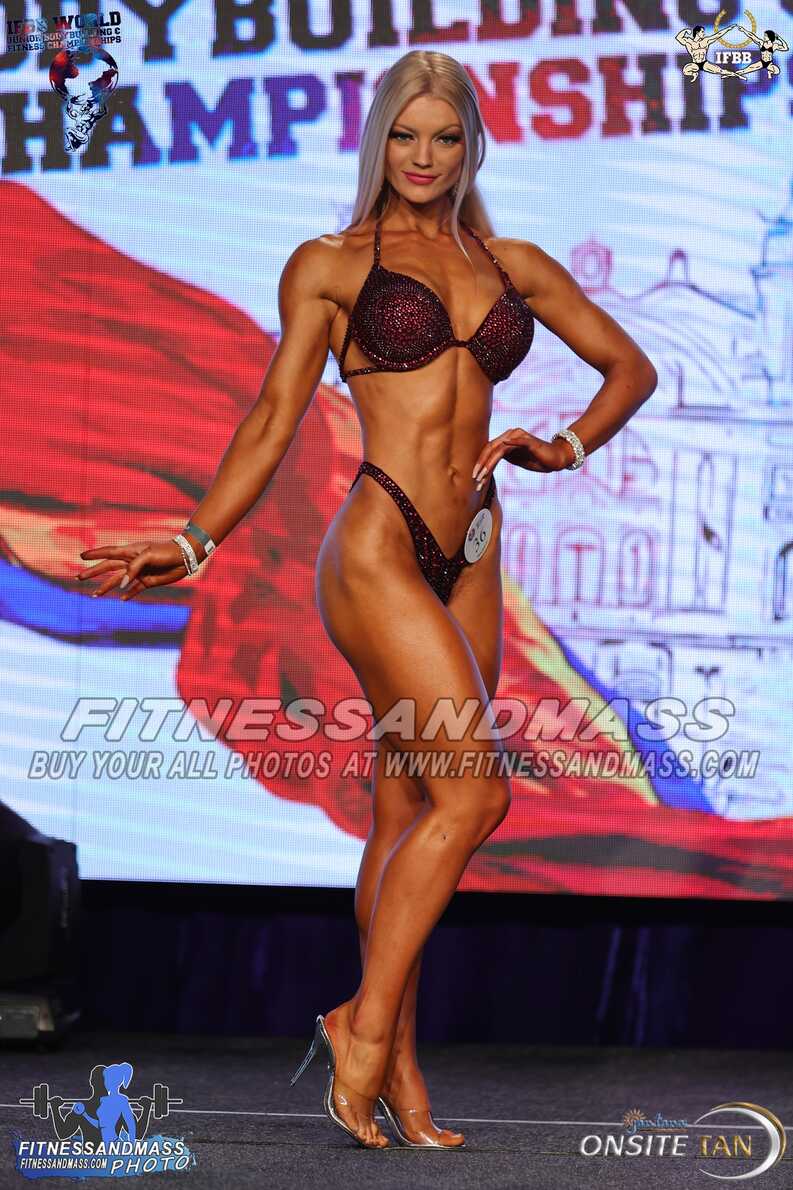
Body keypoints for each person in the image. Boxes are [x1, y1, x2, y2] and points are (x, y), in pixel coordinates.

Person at [77, 50, 657, 1150]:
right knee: (474, 797)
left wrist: (562, 444)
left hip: (472, 553)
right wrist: (194, 540)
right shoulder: (331, 264)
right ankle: (361, 1022)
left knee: (408, 816)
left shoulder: (514, 264)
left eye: (444, 136)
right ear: (377, 141)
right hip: (379, 546)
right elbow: (272, 415)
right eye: (404, 135)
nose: (423, 156)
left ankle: (401, 1073)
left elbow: (629, 368)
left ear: (471, 145)